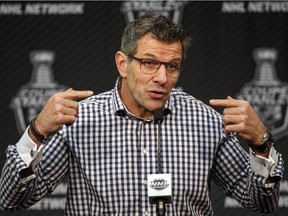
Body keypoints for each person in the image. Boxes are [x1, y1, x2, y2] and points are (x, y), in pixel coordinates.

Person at [0, 13, 284, 216]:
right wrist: (35, 132)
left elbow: (261, 203)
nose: (162, 77)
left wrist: (261, 144)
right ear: (123, 64)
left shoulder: (206, 121)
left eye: (172, 66)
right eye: (149, 63)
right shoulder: (79, 121)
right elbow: (12, 198)